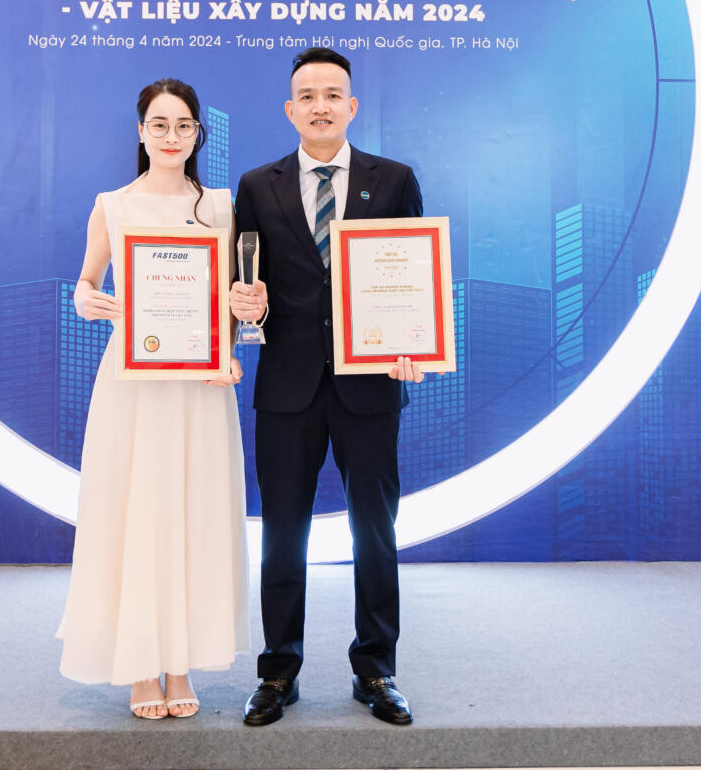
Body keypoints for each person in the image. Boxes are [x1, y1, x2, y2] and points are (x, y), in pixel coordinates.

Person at [56, 77, 264, 718]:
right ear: (141, 131)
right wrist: (86, 301)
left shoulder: (222, 208)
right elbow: (86, 282)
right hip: (135, 384)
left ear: (199, 134)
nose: (172, 136)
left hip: (202, 385)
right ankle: (141, 666)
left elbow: (234, 299)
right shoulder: (113, 206)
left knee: (194, 513)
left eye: (184, 125)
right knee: (138, 511)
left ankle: (180, 664)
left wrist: (233, 346)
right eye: (159, 124)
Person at [234, 47, 426, 728]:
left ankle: (376, 669)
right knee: (283, 534)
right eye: (308, 96)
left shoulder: (394, 180)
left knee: (375, 533)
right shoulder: (256, 185)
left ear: (351, 105)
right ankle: (277, 672)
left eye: (333, 94)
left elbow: (414, 276)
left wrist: (414, 343)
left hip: (369, 386)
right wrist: (245, 304)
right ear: (291, 109)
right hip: (286, 389)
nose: (321, 106)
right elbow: (241, 280)